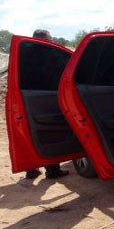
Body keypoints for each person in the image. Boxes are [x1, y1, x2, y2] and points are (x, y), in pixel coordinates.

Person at [25, 29, 69, 180]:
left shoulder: (23, 53)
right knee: (51, 133)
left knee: (29, 133)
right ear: (45, 39)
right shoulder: (52, 53)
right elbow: (67, 71)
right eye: (50, 38)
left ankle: (31, 169)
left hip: (26, 98)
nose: (52, 40)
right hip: (50, 98)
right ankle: (52, 170)